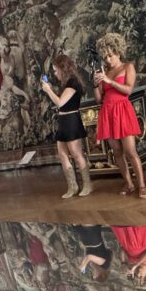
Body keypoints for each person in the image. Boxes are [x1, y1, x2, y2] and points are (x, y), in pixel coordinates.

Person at [94, 32, 146, 199]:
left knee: (130, 151)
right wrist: (96, 84)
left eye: (110, 55)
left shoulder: (127, 67)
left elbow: (128, 90)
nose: (108, 60)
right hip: (108, 111)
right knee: (117, 151)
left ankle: (142, 185)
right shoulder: (104, 72)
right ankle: (129, 183)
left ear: (118, 52)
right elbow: (99, 99)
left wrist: (109, 81)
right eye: (105, 57)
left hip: (122, 110)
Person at [40, 54, 93, 198]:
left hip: (71, 120)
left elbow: (60, 103)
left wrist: (48, 90)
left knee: (76, 154)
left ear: (62, 68)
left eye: (55, 70)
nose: (55, 73)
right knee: (62, 154)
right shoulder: (66, 84)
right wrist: (50, 90)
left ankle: (87, 185)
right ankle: (73, 186)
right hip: (63, 121)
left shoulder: (73, 83)